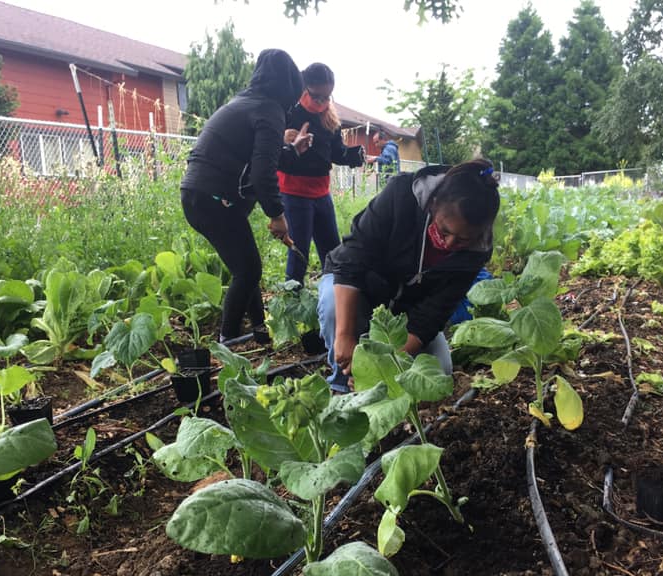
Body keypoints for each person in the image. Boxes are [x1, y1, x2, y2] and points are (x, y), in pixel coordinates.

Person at [318, 159, 499, 393]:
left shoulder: (476, 253)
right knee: (333, 307)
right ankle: (342, 386)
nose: (449, 243)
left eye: (463, 239)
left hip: (405, 314)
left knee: (440, 370)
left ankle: (371, 381)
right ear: (433, 204)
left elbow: (430, 316)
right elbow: (352, 260)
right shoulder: (401, 194)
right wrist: (344, 335)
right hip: (361, 289)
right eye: (445, 231)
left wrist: (382, 368)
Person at [180, 48, 311, 343]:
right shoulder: (269, 109)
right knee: (249, 270)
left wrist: (293, 150)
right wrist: (277, 216)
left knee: (245, 266)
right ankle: (227, 341)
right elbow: (262, 173)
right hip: (214, 198)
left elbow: (265, 156)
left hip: (199, 194)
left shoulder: (246, 102)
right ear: (290, 84)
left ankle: (259, 330)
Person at [279, 63, 366, 284]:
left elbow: (337, 153)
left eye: (326, 98)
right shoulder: (288, 112)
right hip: (293, 191)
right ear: (304, 88)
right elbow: (270, 152)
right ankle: (292, 303)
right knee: (299, 252)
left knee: (332, 251)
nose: (321, 103)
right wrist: (284, 140)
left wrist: (352, 156)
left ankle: (333, 297)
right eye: (316, 96)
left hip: (321, 192)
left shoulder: (330, 118)